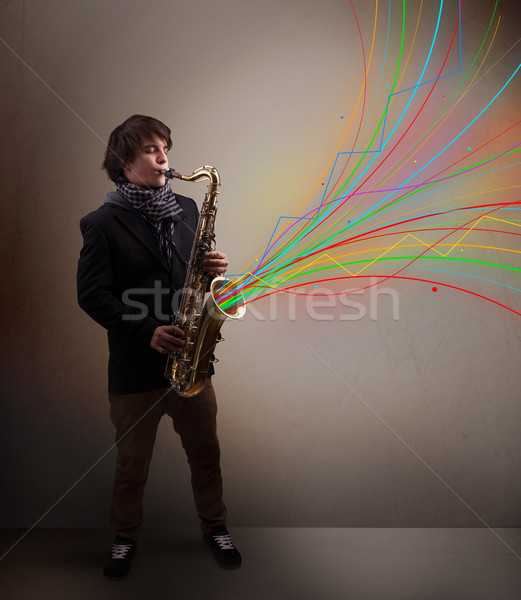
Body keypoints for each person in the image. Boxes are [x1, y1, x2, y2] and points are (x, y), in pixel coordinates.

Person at [77, 114, 241, 579]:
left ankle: (216, 526)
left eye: (165, 146)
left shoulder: (189, 208)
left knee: (206, 455)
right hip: (136, 366)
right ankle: (125, 537)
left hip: (192, 361)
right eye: (151, 149)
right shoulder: (101, 223)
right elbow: (92, 296)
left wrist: (215, 268)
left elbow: (192, 280)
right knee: (132, 464)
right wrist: (147, 329)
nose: (164, 157)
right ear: (123, 162)